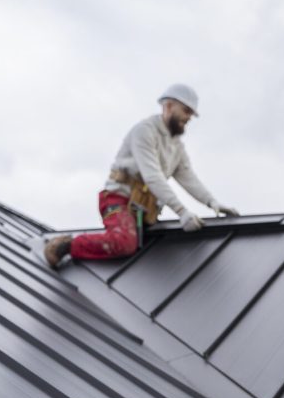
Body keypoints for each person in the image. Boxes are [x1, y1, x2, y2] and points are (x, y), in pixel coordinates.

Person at [41, 84, 239, 269]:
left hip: (143, 210)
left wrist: (212, 202)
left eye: (191, 114)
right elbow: (152, 176)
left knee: (158, 244)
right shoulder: (144, 131)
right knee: (124, 242)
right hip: (118, 200)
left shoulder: (176, 146)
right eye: (186, 111)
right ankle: (66, 246)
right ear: (169, 106)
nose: (189, 118)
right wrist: (181, 211)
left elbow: (188, 177)